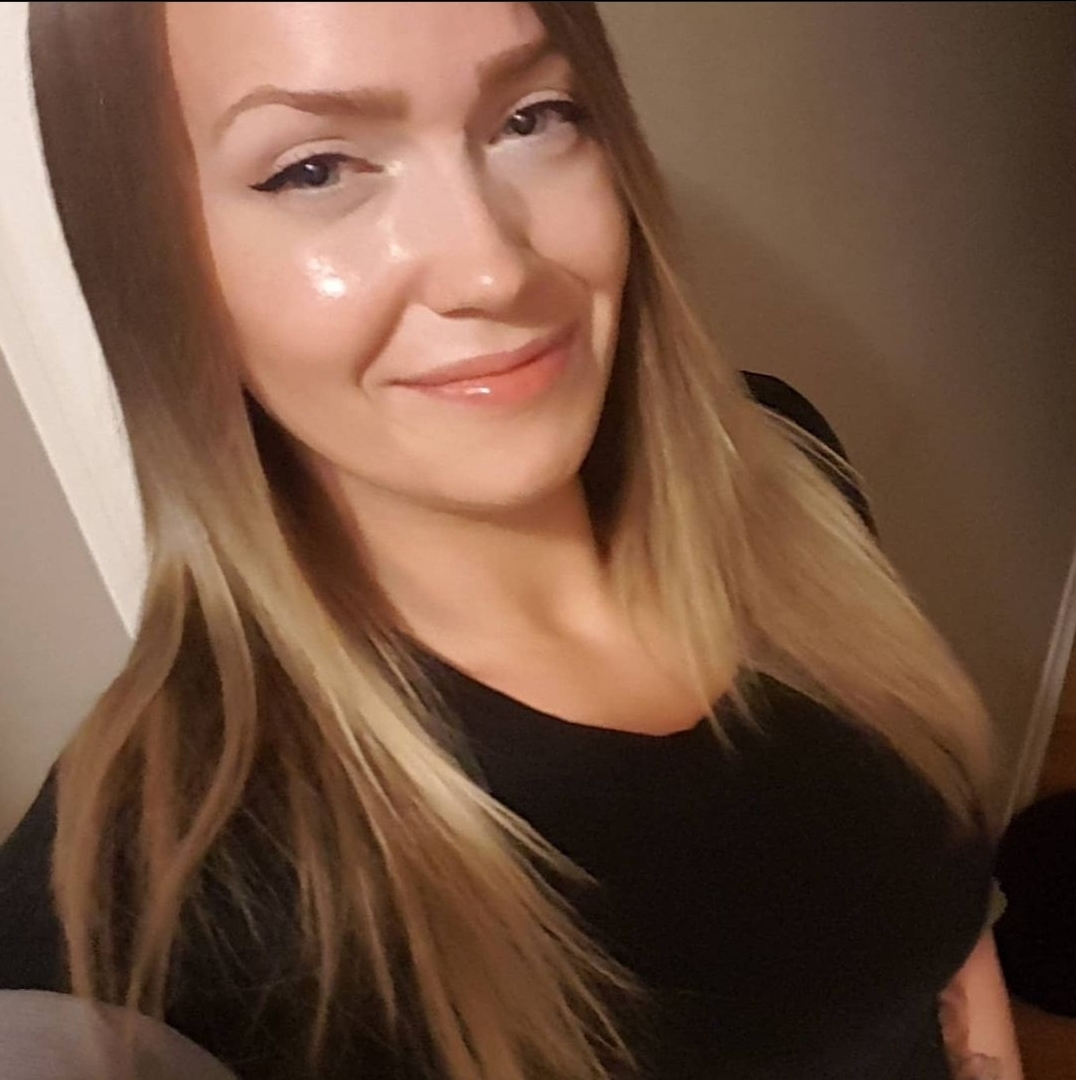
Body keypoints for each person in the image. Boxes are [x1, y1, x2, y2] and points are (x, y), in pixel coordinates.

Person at [0, 3, 1023, 1078]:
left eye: (531, 118)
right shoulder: (138, 905)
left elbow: (932, 916)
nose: (492, 269)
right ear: (150, 262)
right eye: (313, 170)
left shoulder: (780, 466)